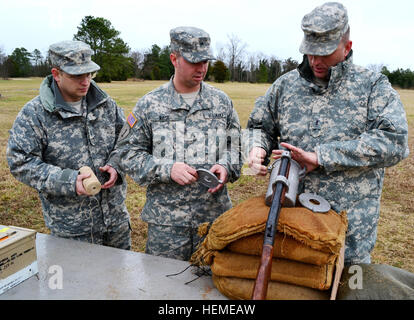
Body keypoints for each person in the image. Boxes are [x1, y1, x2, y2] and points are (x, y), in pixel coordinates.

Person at [247, 2, 409, 265]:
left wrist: (321, 157)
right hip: (292, 229)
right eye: (310, 52)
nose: (315, 61)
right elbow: (258, 126)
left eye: (325, 53)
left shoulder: (373, 86)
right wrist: (257, 149)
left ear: (347, 46)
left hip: (350, 237)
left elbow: (395, 142)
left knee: (350, 291)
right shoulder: (284, 86)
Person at [107, 26, 242, 261]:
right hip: (167, 225)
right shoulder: (149, 105)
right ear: (174, 59)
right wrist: (167, 168)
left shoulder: (221, 103)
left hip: (214, 219)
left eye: (205, 61)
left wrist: (226, 165)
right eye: (194, 61)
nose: (201, 68)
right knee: (163, 286)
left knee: (213, 286)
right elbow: (128, 153)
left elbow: (237, 146)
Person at [7, 40, 131, 249]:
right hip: (72, 231)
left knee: (119, 279)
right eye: (76, 75)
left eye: (89, 74)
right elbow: (20, 162)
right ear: (57, 74)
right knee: (77, 282)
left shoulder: (106, 105)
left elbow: (127, 141)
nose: (85, 81)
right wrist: (68, 180)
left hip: (116, 223)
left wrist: (116, 165)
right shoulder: (35, 114)